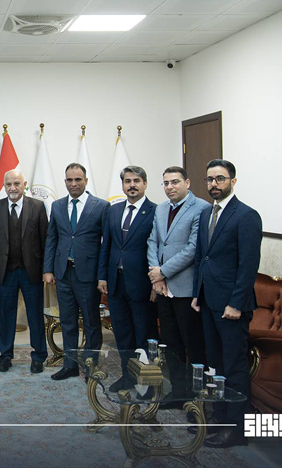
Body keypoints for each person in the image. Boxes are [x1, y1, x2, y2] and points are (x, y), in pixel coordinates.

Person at [193, 159, 262, 448]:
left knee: (233, 367)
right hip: (209, 301)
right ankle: (219, 419)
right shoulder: (207, 213)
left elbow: (248, 265)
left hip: (232, 306)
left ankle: (236, 430)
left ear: (233, 181)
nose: (214, 184)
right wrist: (197, 293)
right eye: (210, 179)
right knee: (215, 364)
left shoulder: (246, 215)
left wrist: (236, 303)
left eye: (220, 179)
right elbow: (202, 257)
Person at [147, 166, 209, 405]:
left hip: (186, 289)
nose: (170, 187)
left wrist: (163, 271)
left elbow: (193, 249)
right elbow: (153, 242)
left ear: (187, 183)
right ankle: (178, 391)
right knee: (171, 343)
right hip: (163, 288)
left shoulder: (201, 208)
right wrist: (157, 276)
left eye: (175, 182)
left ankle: (196, 397)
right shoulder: (161, 209)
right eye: (166, 183)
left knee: (193, 344)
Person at [43, 163, 109, 380]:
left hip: (88, 274)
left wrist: (102, 275)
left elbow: (106, 244)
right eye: (70, 180)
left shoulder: (100, 206)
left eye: (78, 179)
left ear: (86, 181)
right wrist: (48, 269)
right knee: (67, 321)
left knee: (91, 322)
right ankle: (69, 365)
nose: (74, 184)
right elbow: (52, 238)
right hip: (63, 273)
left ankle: (91, 365)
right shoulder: (57, 206)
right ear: (65, 182)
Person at [97, 166, 157, 390]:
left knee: (144, 335)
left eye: (137, 181)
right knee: (123, 334)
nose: (132, 185)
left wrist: (155, 283)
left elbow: (158, 249)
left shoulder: (155, 211)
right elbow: (107, 245)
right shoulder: (113, 210)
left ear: (145, 184)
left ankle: (148, 383)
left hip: (142, 284)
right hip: (116, 283)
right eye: (128, 181)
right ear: (122, 185)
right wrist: (102, 276)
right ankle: (127, 377)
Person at [0, 169, 48, 374]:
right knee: (5, 316)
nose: (13, 188)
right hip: (6, 272)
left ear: (24, 185)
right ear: (4, 186)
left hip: (32, 272)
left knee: (35, 315)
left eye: (17, 183)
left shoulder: (38, 207)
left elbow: (46, 241)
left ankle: (38, 356)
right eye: (9, 184)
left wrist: (47, 269)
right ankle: (5, 356)